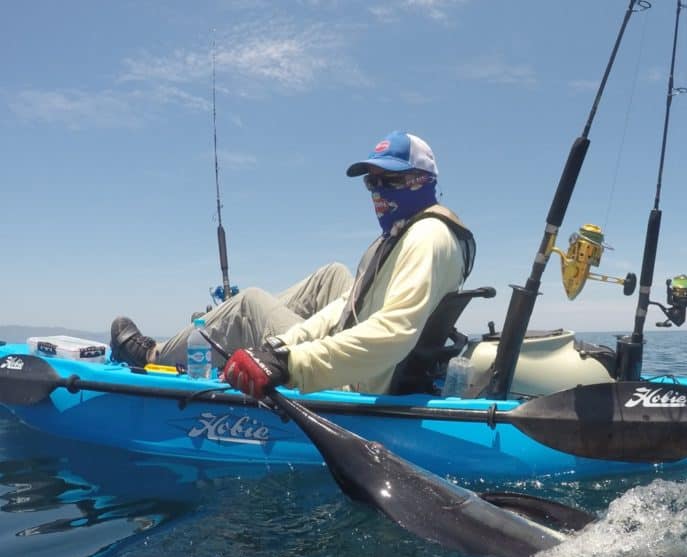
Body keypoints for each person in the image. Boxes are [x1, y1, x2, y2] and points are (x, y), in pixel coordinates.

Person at [110, 131, 475, 399]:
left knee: (251, 302)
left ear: (421, 181)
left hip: (364, 379)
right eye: (371, 183)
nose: (378, 192)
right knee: (332, 276)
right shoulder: (408, 232)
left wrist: (289, 362)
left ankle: (160, 352)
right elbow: (340, 310)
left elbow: (393, 335)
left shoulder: (427, 237)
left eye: (389, 181)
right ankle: (230, 331)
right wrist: (281, 347)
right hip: (372, 360)